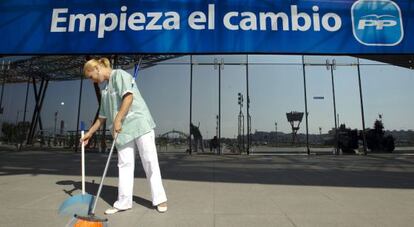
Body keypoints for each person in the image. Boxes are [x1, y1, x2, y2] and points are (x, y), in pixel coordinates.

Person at [80, 58, 167, 214]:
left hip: (139, 124)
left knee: (149, 161)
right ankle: (124, 202)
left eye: (91, 76)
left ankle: (160, 199)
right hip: (122, 131)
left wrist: (118, 118)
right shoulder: (105, 91)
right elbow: (102, 117)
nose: (92, 81)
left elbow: (128, 97)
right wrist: (90, 133)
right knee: (124, 165)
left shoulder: (119, 75)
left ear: (97, 68)